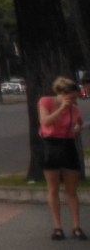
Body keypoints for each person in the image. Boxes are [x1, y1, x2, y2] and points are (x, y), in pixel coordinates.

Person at [39, 75, 88, 241]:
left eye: (76, 98)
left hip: (68, 146)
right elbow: (46, 122)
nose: (74, 101)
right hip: (51, 145)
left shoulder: (75, 109)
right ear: (62, 94)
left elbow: (79, 123)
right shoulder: (46, 102)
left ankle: (76, 226)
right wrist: (61, 109)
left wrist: (77, 128)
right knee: (53, 189)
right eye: (72, 97)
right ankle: (58, 227)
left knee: (71, 190)